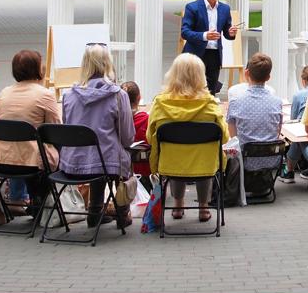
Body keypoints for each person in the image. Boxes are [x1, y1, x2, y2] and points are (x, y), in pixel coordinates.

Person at [59, 44, 134, 228]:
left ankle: (95, 210)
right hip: (106, 165)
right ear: (107, 63)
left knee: (98, 154)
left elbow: (67, 128)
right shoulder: (118, 95)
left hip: (72, 163)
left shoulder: (68, 95)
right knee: (116, 154)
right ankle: (122, 212)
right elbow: (127, 137)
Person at [148, 53, 228, 222]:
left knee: (177, 158)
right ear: (201, 76)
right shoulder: (211, 105)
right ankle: (204, 207)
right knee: (203, 158)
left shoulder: (159, 104)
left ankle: (177, 205)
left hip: (170, 164)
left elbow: (150, 137)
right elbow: (225, 137)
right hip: (204, 166)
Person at [0, 50, 61, 209]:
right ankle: (43, 203)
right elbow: (55, 130)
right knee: (53, 150)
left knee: (21, 145)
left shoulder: (4, 93)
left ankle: (20, 198)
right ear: (38, 69)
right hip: (31, 163)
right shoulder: (45, 94)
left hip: (2, 160)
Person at [226, 53, 284, 180]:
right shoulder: (277, 102)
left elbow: (233, 137)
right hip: (271, 159)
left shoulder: (235, 101)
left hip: (245, 159)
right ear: (268, 77)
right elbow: (277, 132)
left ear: (246, 73)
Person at [180, 0, 237, 96]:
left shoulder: (225, 9)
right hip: (195, 54)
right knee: (192, 90)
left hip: (215, 54)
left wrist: (231, 33)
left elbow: (227, 32)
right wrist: (205, 36)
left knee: (210, 91)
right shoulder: (192, 7)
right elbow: (185, 32)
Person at [121, 81, 151, 190]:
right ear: (139, 98)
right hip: (146, 173)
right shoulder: (147, 120)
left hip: (123, 174)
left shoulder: (117, 122)